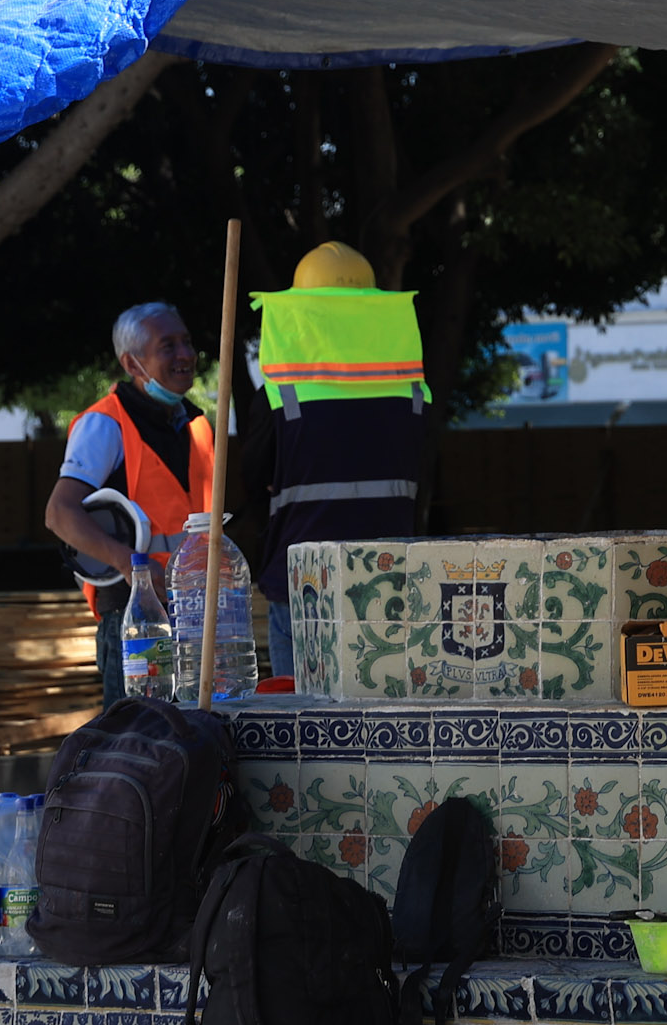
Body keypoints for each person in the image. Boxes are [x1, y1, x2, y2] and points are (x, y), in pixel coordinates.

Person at [241, 243, 431, 683]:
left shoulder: (279, 395)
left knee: (304, 730)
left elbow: (255, 482)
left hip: (303, 584)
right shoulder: (411, 393)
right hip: (391, 579)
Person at [44, 302, 213, 705]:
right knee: (143, 750)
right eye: (168, 346)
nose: (185, 355)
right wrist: (130, 565)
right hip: (137, 623)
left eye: (187, 343)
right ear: (133, 364)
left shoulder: (198, 424)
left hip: (196, 618)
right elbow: (59, 513)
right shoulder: (105, 424)